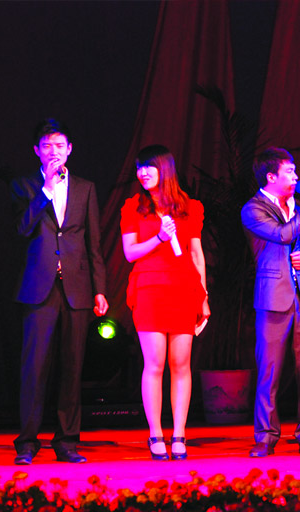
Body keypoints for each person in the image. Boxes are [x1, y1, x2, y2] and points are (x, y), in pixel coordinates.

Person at [10, 118, 108, 465]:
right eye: (47, 146)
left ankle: (67, 441)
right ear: (37, 151)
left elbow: (93, 243)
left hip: (77, 287)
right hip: (39, 287)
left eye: (60, 146)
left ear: (69, 150)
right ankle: (27, 442)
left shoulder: (85, 188)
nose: (54, 151)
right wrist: (47, 190)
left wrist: (100, 289)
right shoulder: (24, 185)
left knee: (72, 367)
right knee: (34, 368)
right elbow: (23, 229)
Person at [120, 145, 210, 461]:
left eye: (149, 166)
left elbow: (196, 254)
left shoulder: (190, 207)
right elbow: (130, 252)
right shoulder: (133, 207)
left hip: (184, 289)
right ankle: (155, 433)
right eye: (139, 167)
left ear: (165, 168)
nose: (143, 173)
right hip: (149, 288)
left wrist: (204, 297)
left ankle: (180, 434)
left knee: (181, 364)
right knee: (155, 363)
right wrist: (158, 238)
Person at [241, 147, 300, 457]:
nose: (296, 177)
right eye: (289, 172)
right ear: (271, 177)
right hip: (272, 297)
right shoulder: (253, 209)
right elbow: (281, 235)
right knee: (269, 370)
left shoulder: (299, 208)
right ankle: (265, 435)